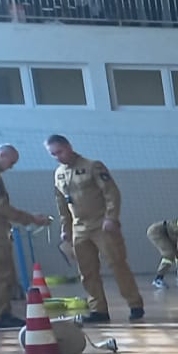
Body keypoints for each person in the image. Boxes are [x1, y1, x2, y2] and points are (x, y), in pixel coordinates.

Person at [48, 134, 144, 322]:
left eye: (59, 152)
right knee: (87, 271)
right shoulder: (58, 174)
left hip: (101, 225)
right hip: (79, 228)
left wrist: (111, 217)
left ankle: (135, 304)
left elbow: (111, 193)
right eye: (53, 154)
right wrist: (65, 228)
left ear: (68, 146)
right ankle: (98, 309)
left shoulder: (93, 166)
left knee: (117, 265)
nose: (58, 157)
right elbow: (62, 204)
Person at [0, 145, 52, 328]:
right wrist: (30, 218)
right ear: (1, 154)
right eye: (11, 162)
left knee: (0, 270)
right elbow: (0, 206)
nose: (11, 167)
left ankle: (0, 311)